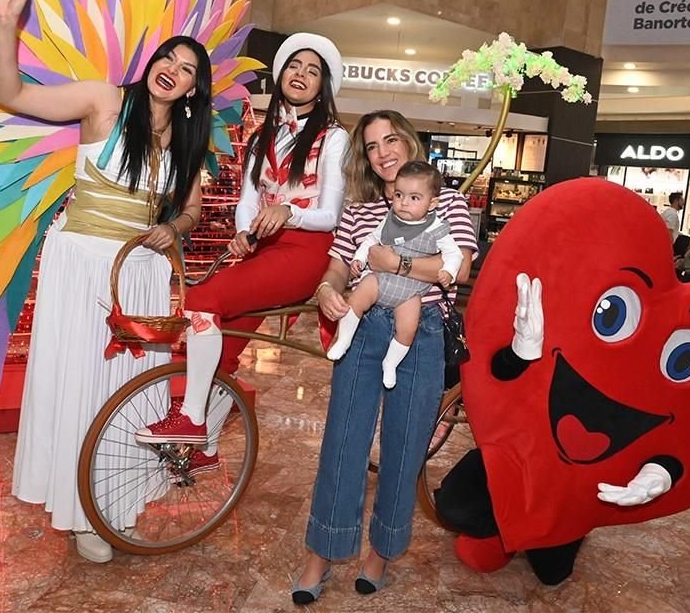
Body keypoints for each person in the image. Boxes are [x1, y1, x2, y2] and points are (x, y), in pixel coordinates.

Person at [0, 0, 213, 563]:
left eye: (187, 66)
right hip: (82, 266)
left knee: (129, 393)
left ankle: (114, 503)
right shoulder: (103, 99)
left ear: (195, 88)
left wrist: (174, 228)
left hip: (140, 273)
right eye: (167, 56)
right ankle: (78, 512)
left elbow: (190, 209)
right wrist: (5, 21)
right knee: (81, 384)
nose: (172, 67)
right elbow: (11, 96)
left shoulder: (190, 137)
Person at [291, 110, 478, 605]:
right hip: (363, 325)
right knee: (343, 441)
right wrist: (327, 291)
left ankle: (381, 551)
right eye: (372, 146)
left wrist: (392, 262)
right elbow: (336, 268)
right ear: (366, 159)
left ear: (408, 141)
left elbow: (456, 270)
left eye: (390, 140)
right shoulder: (360, 209)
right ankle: (322, 550)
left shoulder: (448, 202)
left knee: (404, 448)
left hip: (422, 330)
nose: (384, 152)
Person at [134, 33, 349, 450]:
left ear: (323, 86)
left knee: (202, 299)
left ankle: (192, 419)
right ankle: (206, 449)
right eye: (294, 66)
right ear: (281, 73)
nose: (301, 75)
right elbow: (248, 201)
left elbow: (331, 215)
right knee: (226, 346)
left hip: (305, 252)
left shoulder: (334, 136)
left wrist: (290, 212)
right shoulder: (261, 135)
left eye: (312, 71)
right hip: (266, 251)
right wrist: (243, 234)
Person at [326, 161, 463, 388]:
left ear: (432, 203)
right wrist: (359, 259)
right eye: (399, 195)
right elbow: (371, 239)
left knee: (407, 328)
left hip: (410, 292)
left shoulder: (437, 227)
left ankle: (391, 363)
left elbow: (454, 253)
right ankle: (344, 339)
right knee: (358, 298)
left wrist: (448, 271)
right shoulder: (390, 219)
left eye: (414, 198)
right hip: (380, 281)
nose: (403, 203)